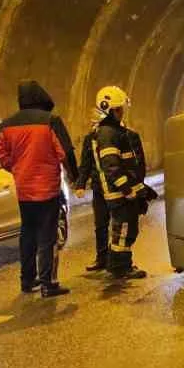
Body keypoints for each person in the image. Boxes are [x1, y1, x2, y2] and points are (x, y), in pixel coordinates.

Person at [0, 80, 79, 297]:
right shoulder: (51, 121)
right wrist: (75, 178)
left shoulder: (7, 124)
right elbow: (65, 152)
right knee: (48, 237)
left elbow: (2, 156)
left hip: (24, 189)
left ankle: (27, 280)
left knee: (28, 234)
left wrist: (18, 169)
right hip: (47, 188)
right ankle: (48, 283)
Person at [84, 85, 155, 279]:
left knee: (124, 229)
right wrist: (126, 189)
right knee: (124, 230)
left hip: (121, 191)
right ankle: (120, 268)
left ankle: (118, 265)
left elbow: (126, 165)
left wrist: (141, 190)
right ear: (110, 110)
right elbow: (112, 166)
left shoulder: (112, 131)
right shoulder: (109, 133)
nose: (122, 112)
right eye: (119, 109)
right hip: (118, 193)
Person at [75, 103, 114, 272]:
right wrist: (81, 184)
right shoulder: (90, 139)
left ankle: (119, 259)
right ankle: (102, 258)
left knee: (119, 224)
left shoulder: (118, 135)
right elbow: (86, 163)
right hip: (99, 188)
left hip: (115, 187)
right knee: (100, 224)